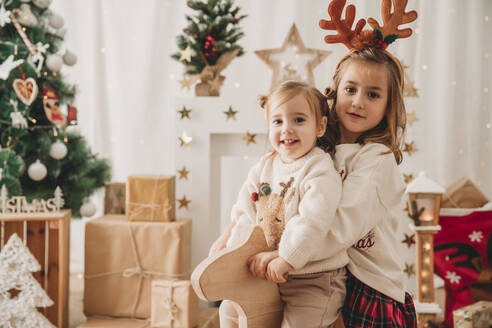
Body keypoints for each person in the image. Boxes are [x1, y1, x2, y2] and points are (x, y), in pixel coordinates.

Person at [209, 80, 347, 328]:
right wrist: (231, 251)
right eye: (278, 121)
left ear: (320, 126)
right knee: (230, 309)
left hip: (314, 279)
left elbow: (312, 222)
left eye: (299, 120)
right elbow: (244, 215)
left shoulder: (319, 169)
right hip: (266, 273)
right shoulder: (264, 166)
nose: (287, 129)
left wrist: (287, 258)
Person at [318, 0, 419, 323]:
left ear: (388, 105)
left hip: (371, 284)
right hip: (331, 271)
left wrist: (289, 256)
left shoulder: (377, 159)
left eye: (373, 94)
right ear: (335, 91)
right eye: (351, 89)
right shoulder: (322, 153)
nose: (358, 102)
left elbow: (342, 227)